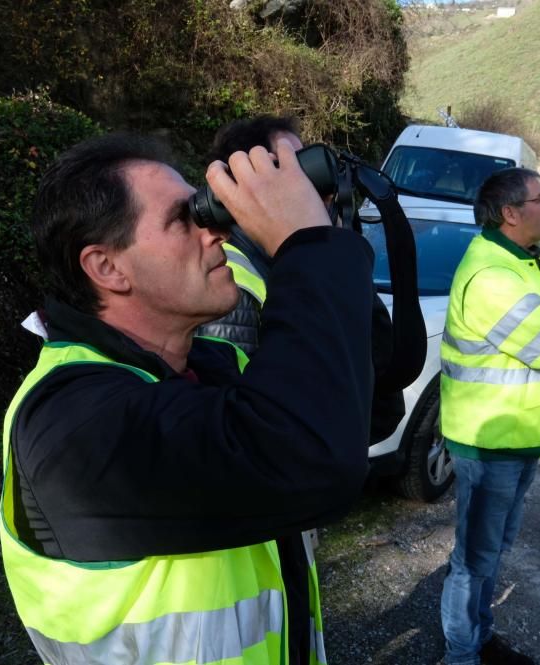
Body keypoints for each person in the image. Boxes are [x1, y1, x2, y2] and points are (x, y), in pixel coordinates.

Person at [0, 132, 377, 665]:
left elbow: (370, 408)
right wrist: (307, 246)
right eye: (186, 218)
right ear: (107, 267)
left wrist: (327, 229)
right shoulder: (72, 424)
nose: (218, 229)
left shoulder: (214, 369)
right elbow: (314, 459)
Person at [193, 115, 426, 663]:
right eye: (291, 171)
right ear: (243, 184)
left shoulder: (291, 270)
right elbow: (283, 453)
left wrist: (330, 256)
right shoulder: (225, 285)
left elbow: (372, 409)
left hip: (284, 541)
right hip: (255, 544)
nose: (311, 189)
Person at [438, 168, 540, 665]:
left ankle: (479, 640)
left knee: (492, 550)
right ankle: (461, 656)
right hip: (491, 445)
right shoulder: (493, 278)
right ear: (511, 213)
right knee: (474, 560)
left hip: (518, 437)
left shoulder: (527, 263)